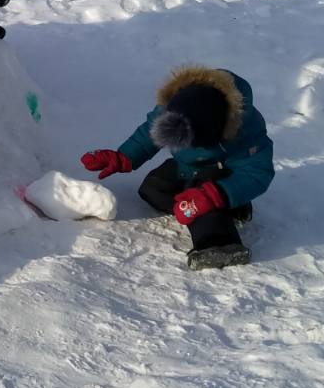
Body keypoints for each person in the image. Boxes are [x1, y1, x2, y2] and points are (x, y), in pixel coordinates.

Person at [81, 65, 275, 271]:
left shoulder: (245, 129)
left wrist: (214, 195)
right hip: (188, 167)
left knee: (201, 199)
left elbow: (257, 172)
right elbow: (149, 133)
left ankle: (220, 242)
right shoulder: (175, 103)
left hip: (222, 176)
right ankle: (208, 206)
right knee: (154, 188)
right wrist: (123, 157)